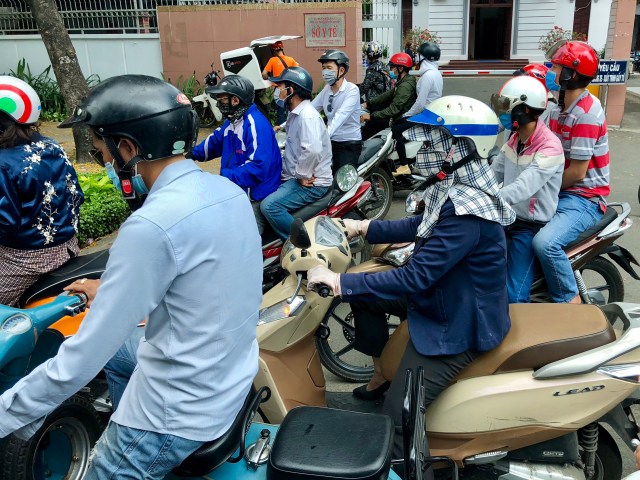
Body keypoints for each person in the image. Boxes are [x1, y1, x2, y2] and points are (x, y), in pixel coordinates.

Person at [0, 75, 262, 479]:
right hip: (229, 376)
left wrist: (6, 414)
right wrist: (109, 289)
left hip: (176, 415)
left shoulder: (151, 225)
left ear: (129, 148)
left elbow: (81, 359)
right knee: (121, 351)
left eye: (103, 151)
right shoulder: (226, 192)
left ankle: (130, 440)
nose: (105, 162)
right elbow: (198, 283)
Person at [307, 95, 515, 459]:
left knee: (399, 416)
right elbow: (421, 224)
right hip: (442, 295)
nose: (424, 150)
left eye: (434, 141)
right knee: (364, 297)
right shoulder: (454, 189)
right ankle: (379, 374)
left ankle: (408, 466)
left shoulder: (467, 212)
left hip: (458, 324)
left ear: (460, 148)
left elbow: (415, 277)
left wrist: (340, 282)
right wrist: (362, 226)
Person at [532, 40, 609, 304]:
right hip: (562, 191)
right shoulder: (559, 107)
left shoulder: (586, 114)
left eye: (555, 67)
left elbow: (577, 173)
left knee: (545, 244)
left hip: (583, 198)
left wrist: (538, 188)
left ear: (570, 74)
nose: (550, 72)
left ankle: (570, 303)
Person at [0, 75, 84, 307]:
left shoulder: (3, 162)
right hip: (68, 247)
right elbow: (76, 195)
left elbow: (4, 223)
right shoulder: (51, 145)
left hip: (25, 262)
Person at [490, 76, 565, 303]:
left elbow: (523, 188)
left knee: (513, 295)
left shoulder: (550, 147)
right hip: (507, 219)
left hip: (529, 227)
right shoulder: (515, 140)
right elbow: (493, 174)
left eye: (507, 106)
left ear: (524, 110)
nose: (502, 112)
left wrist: (487, 199)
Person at [189, 74, 282, 234]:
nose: (218, 103)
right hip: (237, 189)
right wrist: (190, 155)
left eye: (222, 99)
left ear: (236, 100)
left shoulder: (255, 124)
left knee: (244, 239)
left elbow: (258, 167)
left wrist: (224, 177)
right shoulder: (233, 121)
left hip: (255, 196)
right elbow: (214, 141)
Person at [261, 66, 333, 240]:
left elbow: (313, 149)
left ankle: (302, 244)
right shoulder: (295, 114)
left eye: (280, 87)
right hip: (296, 177)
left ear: (291, 90)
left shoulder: (306, 116)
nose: (277, 91)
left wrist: (302, 174)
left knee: (269, 206)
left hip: (312, 183)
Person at [392, 41, 443, 170]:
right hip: (431, 114)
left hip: (425, 115)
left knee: (396, 129)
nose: (416, 57)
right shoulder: (435, 73)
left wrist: (405, 115)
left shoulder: (428, 76)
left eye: (418, 55)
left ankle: (403, 165)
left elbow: (420, 103)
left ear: (424, 57)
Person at [312, 50, 362, 173]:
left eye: (329, 68)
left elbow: (340, 116)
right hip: (330, 142)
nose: (325, 72)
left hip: (348, 144)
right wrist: (285, 125)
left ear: (341, 70)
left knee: (340, 180)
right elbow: (311, 109)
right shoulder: (327, 89)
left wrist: (322, 137)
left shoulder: (352, 90)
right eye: (323, 68)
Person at [360, 52, 417, 140]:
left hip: (398, 118)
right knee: (374, 109)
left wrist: (371, 116)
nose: (390, 70)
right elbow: (387, 95)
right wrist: (368, 103)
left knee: (370, 125)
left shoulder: (405, 86)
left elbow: (394, 109)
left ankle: (364, 146)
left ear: (400, 68)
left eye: (392, 67)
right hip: (396, 113)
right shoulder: (403, 80)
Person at [262, 41, 299, 125]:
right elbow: (298, 69)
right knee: (292, 108)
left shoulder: (272, 60)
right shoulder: (291, 59)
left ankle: (281, 129)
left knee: (280, 112)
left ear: (274, 50)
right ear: (282, 48)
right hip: (291, 88)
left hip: (279, 88)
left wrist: (270, 78)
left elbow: (264, 74)